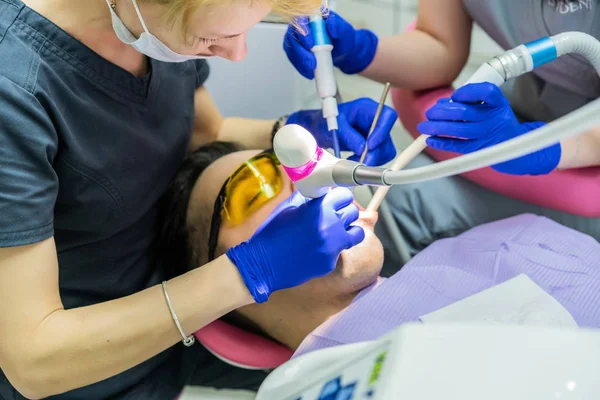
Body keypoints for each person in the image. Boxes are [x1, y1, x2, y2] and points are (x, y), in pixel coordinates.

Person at [0, 0, 399, 399]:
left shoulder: (154, 31)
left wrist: (292, 132)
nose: (238, 53)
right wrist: (250, 271)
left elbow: (208, 132)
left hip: (172, 345)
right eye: (211, 39)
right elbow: (32, 360)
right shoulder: (14, 88)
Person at [158, 141, 600, 359]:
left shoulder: (506, 235)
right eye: (254, 190)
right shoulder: (318, 386)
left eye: (303, 160)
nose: (308, 180)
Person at [282, 0, 600, 262]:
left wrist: (537, 146)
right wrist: (360, 49)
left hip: (584, 170)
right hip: (521, 124)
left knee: (405, 218)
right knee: (394, 211)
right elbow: (439, 42)